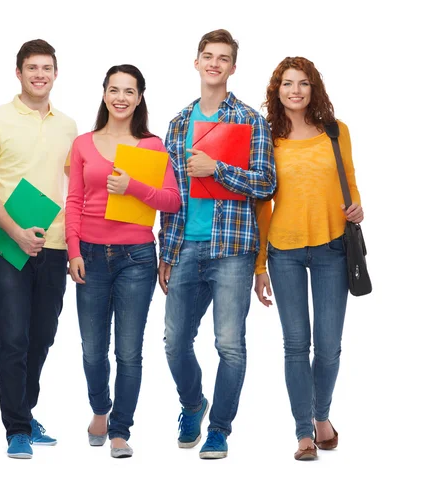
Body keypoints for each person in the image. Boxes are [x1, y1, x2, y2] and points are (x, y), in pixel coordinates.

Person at [158, 29, 276, 460]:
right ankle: (193, 403)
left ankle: (220, 429)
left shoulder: (250, 120)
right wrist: (165, 253)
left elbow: (266, 182)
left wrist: (218, 168)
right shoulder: (176, 124)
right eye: (208, 56)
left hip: (233, 249)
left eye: (223, 58)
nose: (214, 63)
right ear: (196, 63)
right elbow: (168, 196)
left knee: (230, 343)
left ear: (232, 67)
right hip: (185, 246)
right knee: (174, 341)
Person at [66, 64, 181, 459]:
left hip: (136, 256)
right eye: (114, 89)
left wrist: (132, 186)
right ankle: (100, 409)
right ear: (103, 94)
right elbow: (75, 201)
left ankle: (120, 429)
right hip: (91, 255)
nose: (120, 97)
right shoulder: (83, 143)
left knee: (129, 351)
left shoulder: (151, 145)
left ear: (139, 97)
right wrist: (74, 250)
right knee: (92, 348)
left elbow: (171, 200)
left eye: (129, 91)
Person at [254, 56, 363, 461]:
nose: (295, 90)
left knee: (329, 346)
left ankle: (322, 416)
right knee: (296, 344)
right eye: (287, 83)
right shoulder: (266, 138)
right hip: (284, 251)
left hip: (333, 247)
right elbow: (261, 204)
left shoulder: (337, 132)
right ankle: (303, 433)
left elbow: (348, 181)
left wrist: (358, 207)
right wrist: (259, 264)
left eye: (303, 83)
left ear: (313, 89)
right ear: (276, 90)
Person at [0, 39, 77, 459]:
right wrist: (16, 232)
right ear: (18, 73)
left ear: (55, 73)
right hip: (7, 244)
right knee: (13, 336)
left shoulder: (68, 125)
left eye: (46, 68)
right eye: (31, 67)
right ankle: (16, 427)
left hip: (53, 246)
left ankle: (26, 411)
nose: (39, 74)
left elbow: (75, 189)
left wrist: (74, 245)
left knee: (43, 336)